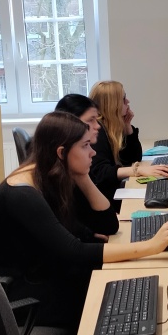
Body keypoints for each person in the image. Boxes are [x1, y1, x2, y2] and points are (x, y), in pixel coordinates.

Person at [0, 111, 168, 332]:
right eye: (85, 146)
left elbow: (108, 225)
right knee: (110, 296)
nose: (93, 152)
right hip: (18, 296)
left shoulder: (49, 173)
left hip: (41, 270)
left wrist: (83, 176)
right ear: (61, 152)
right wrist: (150, 246)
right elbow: (74, 251)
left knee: (122, 282)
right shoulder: (22, 194)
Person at [88, 80, 168, 210]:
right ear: (112, 105)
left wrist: (127, 127)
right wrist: (137, 170)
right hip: (105, 200)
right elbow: (100, 173)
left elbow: (133, 157)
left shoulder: (113, 127)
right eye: (123, 99)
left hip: (113, 192)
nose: (128, 101)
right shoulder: (97, 132)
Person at [55, 93, 115, 238]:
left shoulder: (75, 164)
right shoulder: (55, 178)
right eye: (91, 120)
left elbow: (109, 226)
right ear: (70, 122)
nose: (98, 126)